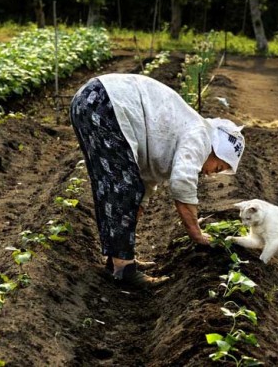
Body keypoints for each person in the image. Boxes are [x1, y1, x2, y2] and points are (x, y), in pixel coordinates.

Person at [69, 73, 245, 288]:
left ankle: (118, 261)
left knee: (124, 186)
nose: (210, 173)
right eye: (217, 167)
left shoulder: (187, 135)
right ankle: (124, 268)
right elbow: (182, 183)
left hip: (94, 101)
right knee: (121, 186)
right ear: (215, 151)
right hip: (104, 101)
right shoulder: (200, 137)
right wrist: (196, 235)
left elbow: (144, 183)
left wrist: (136, 207)